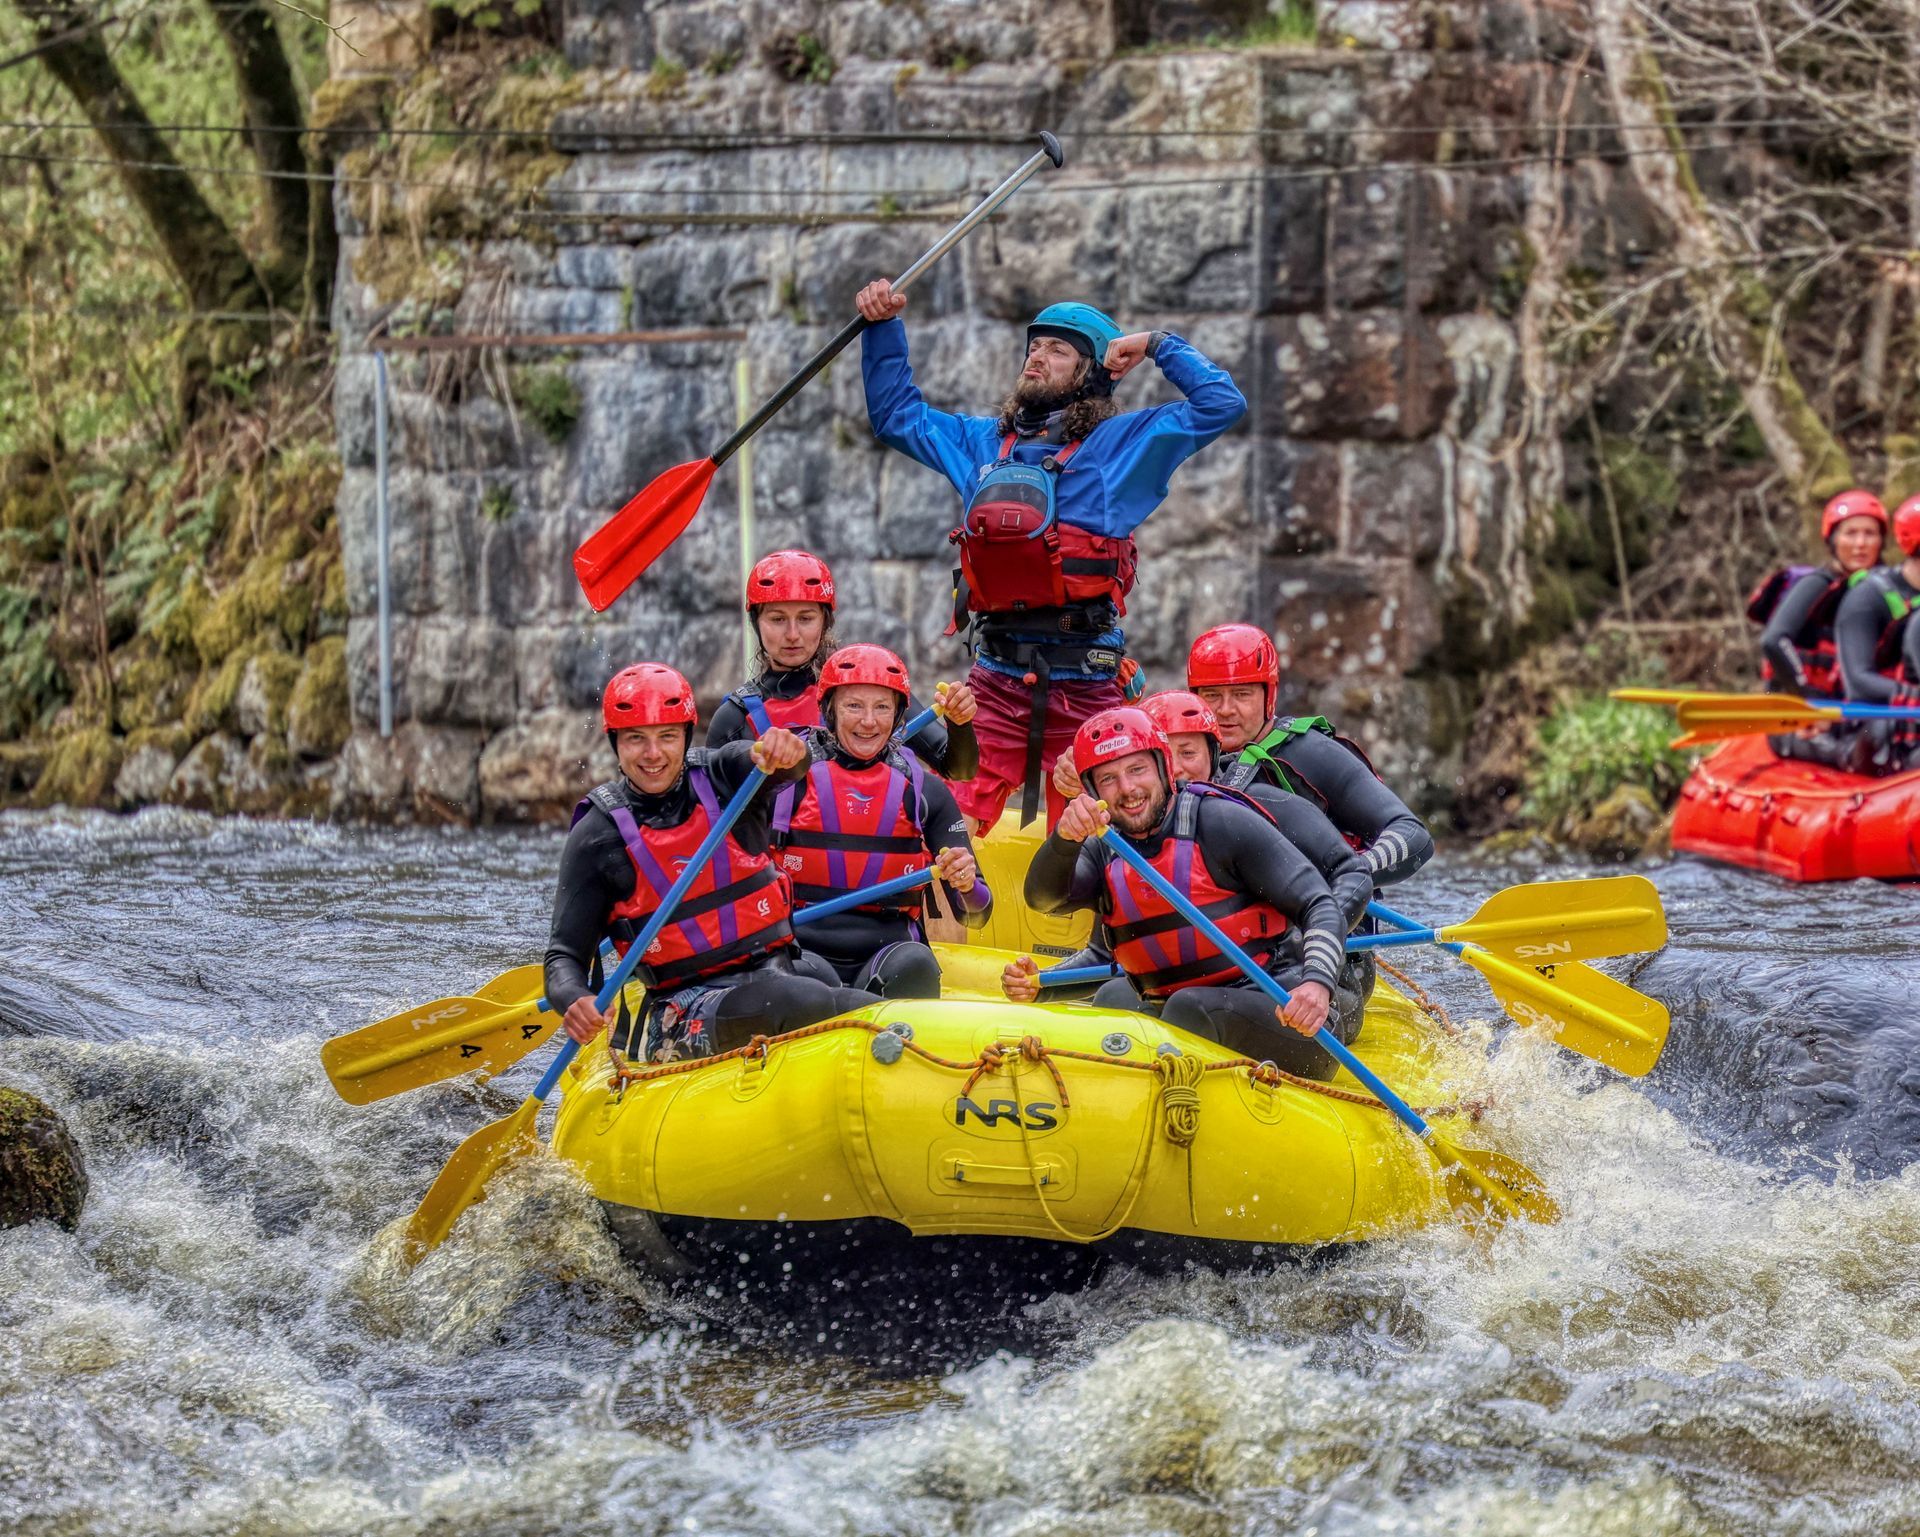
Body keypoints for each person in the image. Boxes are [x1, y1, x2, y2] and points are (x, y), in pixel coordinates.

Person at [855, 279, 1248, 829]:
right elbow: (895, 415)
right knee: (942, 830)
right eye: (1034, 347)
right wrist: (881, 327)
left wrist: (1159, 344)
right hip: (994, 685)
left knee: (1095, 841)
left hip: (1088, 688)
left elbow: (1222, 403)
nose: (1037, 356)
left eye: (1058, 350)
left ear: (1091, 373)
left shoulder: (1124, 445)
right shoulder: (981, 443)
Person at [545, 664, 871, 1061]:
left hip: (772, 971)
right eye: (636, 739)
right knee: (801, 997)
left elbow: (782, 766)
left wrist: (787, 750)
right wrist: (575, 998)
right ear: (615, 743)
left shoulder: (724, 774)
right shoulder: (598, 835)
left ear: (685, 736)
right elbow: (563, 957)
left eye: (667, 736)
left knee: (851, 998)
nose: (653, 754)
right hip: (682, 1012)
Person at [1023, 707, 1353, 1078]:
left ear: (1163, 770)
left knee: (1189, 1007)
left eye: (1137, 770)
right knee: (1113, 998)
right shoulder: (1105, 846)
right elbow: (1042, 899)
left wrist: (1318, 984)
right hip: (1180, 1010)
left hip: (1290, 1018)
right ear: (1093, 791)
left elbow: (1319, 903)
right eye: (1109, 779)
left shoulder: (1221, 822)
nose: (1128, 789)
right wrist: (1064, 840)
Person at [774, 645, 993, 997]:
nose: (869, 721)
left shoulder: (927, 792)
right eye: (854, 706)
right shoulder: (785, 780)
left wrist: (965, 884)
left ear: (898, 715)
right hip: (803, 953)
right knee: (797, 981)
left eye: (882, 708)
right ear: (828, 710)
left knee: (916, 965)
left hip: (889, 957)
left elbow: (977, 915)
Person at [1186, 623, 1433, 887]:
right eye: (1212, 696)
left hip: (1326, 910)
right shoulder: (1176, 760)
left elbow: (1412, 833)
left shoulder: (1312, 752)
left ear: (1269, 697)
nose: (1225, 710)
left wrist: (1351, 873)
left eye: (1241, 694)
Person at [705, 548, 980, 782]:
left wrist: (960, 723)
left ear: (825, 621)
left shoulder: (872, 685)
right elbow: (715, 811)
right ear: (756, 623)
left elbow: (959, 770)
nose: (792, 634)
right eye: (777, 619)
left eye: (805, 618)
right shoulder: (734, 719)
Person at [1751, 489, 1886, 697]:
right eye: (1850, 533)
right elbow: (1774, 640)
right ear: (1833, 540)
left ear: (1881, 541)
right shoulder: (1816, 584)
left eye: (1870, 534)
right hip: (1803, 714)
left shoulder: (1885, 589)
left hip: (1853, 711)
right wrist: (1806, 694)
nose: (1860, 544)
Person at [1822, 495, 1920, 774]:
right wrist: (1913, 696)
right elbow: (1859, 684)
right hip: (1872, 723)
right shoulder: (1867, 598)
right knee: (1880, 730)